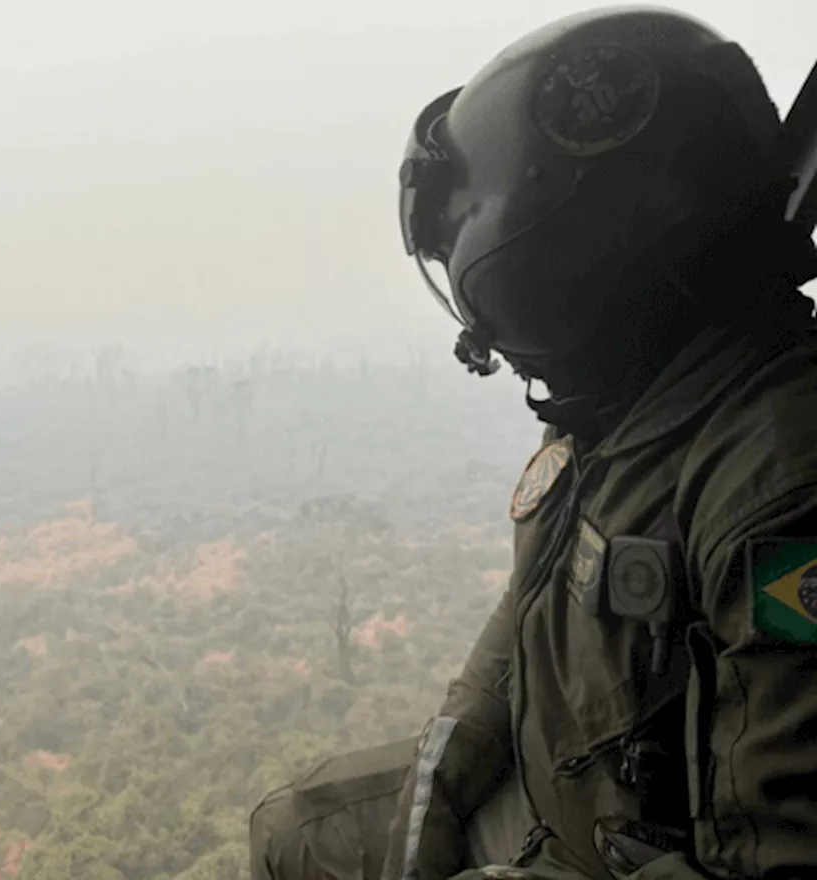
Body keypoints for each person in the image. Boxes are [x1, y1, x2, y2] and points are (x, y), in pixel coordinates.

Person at [249, 7, 817, 879]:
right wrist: (454, 750)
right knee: (299, 828)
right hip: (565, 803)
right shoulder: (630, 406)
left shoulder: (775, 481)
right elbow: (531, 605)